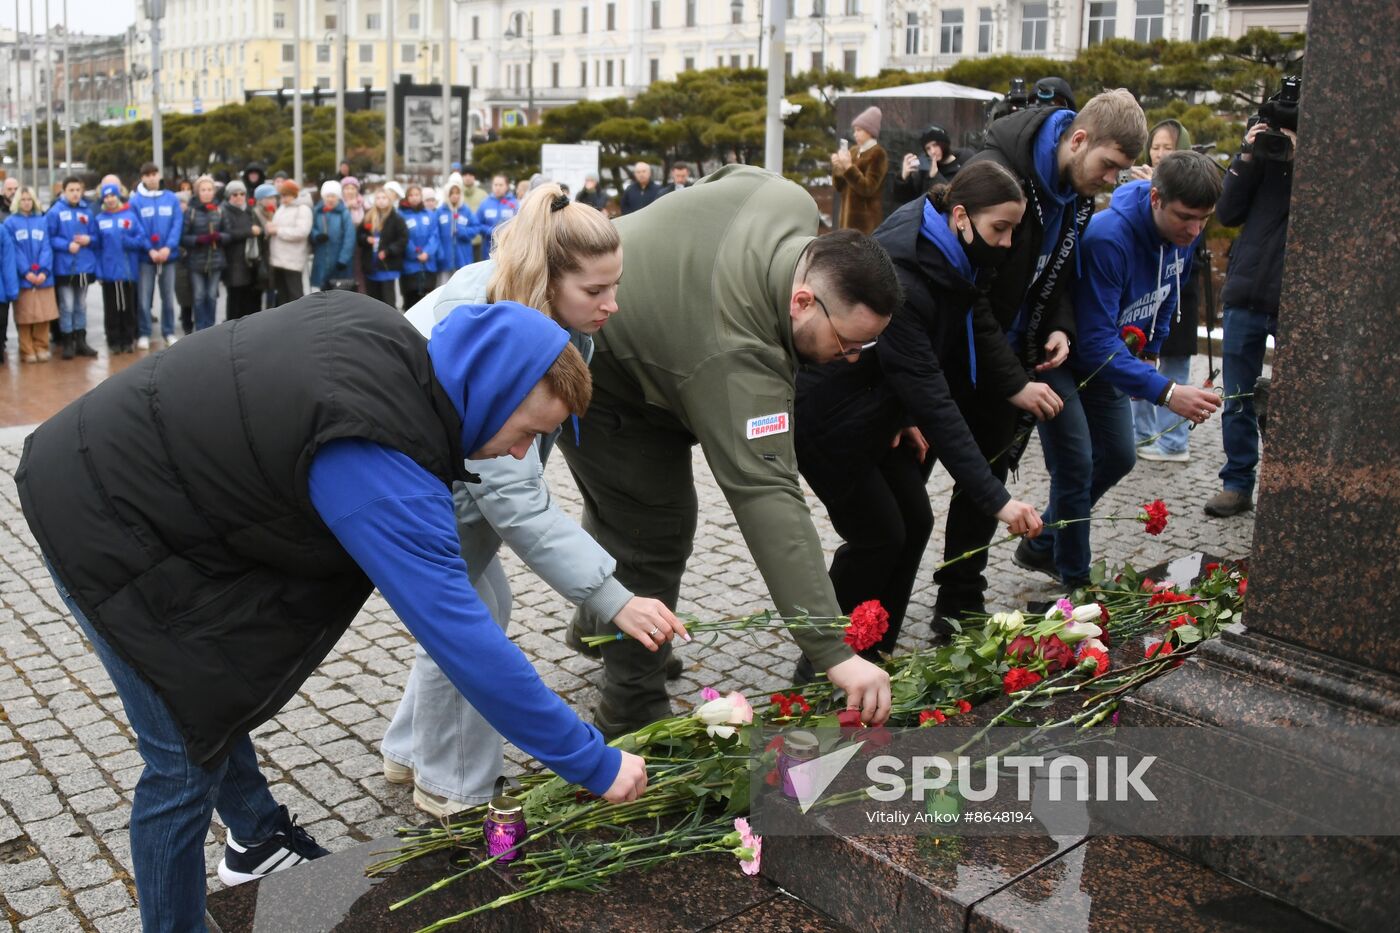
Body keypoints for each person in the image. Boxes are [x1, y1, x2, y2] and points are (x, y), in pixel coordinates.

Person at [17, 290, 649, 931]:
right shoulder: (378, 453)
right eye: (527, 434)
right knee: (179, 763)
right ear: (489, 392)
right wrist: (591, 762)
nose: (521, 455)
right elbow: (464, 641)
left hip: (149, 483)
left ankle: (257, 838)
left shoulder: (391, 341)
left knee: (204, 690)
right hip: (97, 511)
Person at [556, 165, 900, 736]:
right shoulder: (736, 358)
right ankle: (630, 708)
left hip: (665, 353)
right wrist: (833, 650)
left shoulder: (785, 198)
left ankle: (601, 624)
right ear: (803, 300)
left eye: (867, 344)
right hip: (604, 374)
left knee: (632, 520)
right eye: (847, 341)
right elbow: (769, 496)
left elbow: (725, 176)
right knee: (650, 532)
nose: (854, 356)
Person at [384, 184, 686, 816]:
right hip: (420, 480)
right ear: (549, 280)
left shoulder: (535, 305)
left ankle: (412, 750)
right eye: (595, 292)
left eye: (615, 286)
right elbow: (516, 498)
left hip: (450, 476)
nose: (613, 305)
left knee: (482, 601)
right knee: (467, 622)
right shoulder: (497, 316)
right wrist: (613, 598)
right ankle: (452, 786)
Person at [796, 162, 1046, 652]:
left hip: (878, 410)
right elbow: (932, 394)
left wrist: (902, 415)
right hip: (828, 418)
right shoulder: (909, 273)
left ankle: (877, 642)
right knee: (879, 535)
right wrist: (997, 500)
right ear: (960, 216)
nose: (1007, 243)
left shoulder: (944, 245)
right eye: (1000, 228)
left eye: (1014, 230)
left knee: (915, 520)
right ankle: (829, 654)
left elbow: (933, 350)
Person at [934, 88, 1144, 625]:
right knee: (910, 500)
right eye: (1109, 165)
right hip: (956, 352)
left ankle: (959, 599)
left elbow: (1056, 273)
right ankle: (869, 617)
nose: (1112, 181)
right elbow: (967, 292)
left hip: (1013, 354)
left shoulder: (1072, 188)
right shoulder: (997, 172)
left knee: (985, 481)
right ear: (1078, 140)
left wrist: (1058, 325)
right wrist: (1010, 379)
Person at [1017, 151, 1223, 588]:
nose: (1194, 230)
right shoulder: (1110, 237)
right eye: (1186, 217)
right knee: (1076, 462)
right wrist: (1166, 392)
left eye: (1204, 220)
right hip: (1061, 355)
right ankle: (1075, 579)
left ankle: (1042, 540)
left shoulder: (1183, 236)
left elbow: (1169, 294)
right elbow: (1093, 343)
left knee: (1119, 455)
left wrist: (1152, 350)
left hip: (1110, 356)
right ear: (1154, 199)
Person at [1204, 111, 1295, 518]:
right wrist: (1246, 155)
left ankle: (1291, 481)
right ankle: (1237, 483)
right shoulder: (1260, 160)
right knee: (1238, 396)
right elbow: (1227, 212)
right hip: (1246, 290)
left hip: (1296, 296)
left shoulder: (1327, 158)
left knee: (1296, 399)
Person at [1129, 119, 1205, 463]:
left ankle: (1173, 441)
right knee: (1143, 362)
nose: (1159, 153)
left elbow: (1192, 247)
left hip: (1177, 294)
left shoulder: (1195, 188)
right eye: (1155, 146)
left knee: (1173, 365)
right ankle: (1142, 436)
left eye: (1168, 148)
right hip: (1147, 293)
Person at [131, 162, 185, 350]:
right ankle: (144, 333)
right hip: (146, 258)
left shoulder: (170, 198)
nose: (152, 178)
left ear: (159, 175)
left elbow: (177, 224)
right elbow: (136, 227)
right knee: (144, 298)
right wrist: (150, 249)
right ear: (143, 178)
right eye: (148, 175)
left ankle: (168, 331)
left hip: (168, 257)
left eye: (155, 174)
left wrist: (168, 248)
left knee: (168, 297)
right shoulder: (135, 201)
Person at [46, 176, 100, 359]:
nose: (75, 193)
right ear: (64, 191)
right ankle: (67, 342)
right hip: (64, 267)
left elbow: (96, 236)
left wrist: (89, 239)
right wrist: (66, 245)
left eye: (78, 190)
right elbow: (49, 237)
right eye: (71, 190)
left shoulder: (88, 211)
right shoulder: (55, 212)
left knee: (81, 305)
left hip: (84, 266)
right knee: (67, 305)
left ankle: (81, 341)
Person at [5, 187, 60, 362]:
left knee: (44, 314)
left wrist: (43, 270)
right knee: (25, 316)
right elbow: (14, 250)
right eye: (23, 200)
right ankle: (27, 349)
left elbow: (46, 246)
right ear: (17, 202)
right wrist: (26, 271)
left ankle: (41, 346)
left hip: (44, 278)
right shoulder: (10, 223)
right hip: (24, 280)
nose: (26, 203)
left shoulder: (42, 220)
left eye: (29, 199)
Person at [93, 182, 145, 352]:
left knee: (128, 307)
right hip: (109, 273)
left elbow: (140, 239)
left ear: (118, 196)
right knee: (112, 308)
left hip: (128, 271)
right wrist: (99, 272)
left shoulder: (129, 217)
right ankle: (113, 340)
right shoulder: (100, 220)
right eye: (106, 197)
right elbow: (97, 247)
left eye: (112, 196)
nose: (110, 199)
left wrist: (128, 241)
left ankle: (128, 338)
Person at [180, 175, 230, 331]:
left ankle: (211, 328)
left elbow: (229, 234)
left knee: (211, 296)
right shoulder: (191, 211)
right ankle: (200, 328)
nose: (207, 193)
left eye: (209, 190)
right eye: (203, 190)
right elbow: (182, 237)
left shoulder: (220, 210)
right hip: (196, 261)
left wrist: (220, 236)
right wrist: (197, 239)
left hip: (215, 260)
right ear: (197, 192)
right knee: (199, 296)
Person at [832, 106, 889, 235]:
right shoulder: (853, 151)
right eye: (855, 130)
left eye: (859, 130)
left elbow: (868, 188)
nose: (855, 134)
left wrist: (848, 167)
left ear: (870, 131)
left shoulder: (878, 154)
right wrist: (838, 168)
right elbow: (839, 187)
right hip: (846, 223)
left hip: (866, 224)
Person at [359, 187, 408, 308]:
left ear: (389, 200)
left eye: (384, 198)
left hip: (388, 266)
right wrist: (366, 239)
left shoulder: (396, 218)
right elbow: (359, 235)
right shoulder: (369, 216)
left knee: (388, 301)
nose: (381, 201)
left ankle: (390, 325)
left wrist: (388, 251)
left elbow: (403, 239)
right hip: (371, 266)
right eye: (378, 198)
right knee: (373, 301)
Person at [220, 180, 262, 319]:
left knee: (247, 298)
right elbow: (228, 233)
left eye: (242, 194)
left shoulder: (249, 210)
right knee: (234, 298)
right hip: (232, 260)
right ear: (228, 196)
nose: (239, 197)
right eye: (235, 194)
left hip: (248, 260)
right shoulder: (224, 210)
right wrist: (249, 231)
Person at [893, 124, 963, 205]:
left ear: (944, 144)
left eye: (935, 145)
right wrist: (904, 178)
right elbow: (906, 200)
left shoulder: (962, 164)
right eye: (928, 148)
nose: (932, 151)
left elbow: (953, 201)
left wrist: (935, 177)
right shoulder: (925, 168)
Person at [267, 180, 312, 305]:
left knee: (295, 295)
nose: (283, 199)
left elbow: (302, 232)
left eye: (286, 195)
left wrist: (278, 230)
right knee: (282, 295)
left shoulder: (302, 209)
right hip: (278, 259)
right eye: (281, 195)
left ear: (294, 195)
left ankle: (298, 322)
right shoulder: (282, 208)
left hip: (293, 259)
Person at [397, 184, 440, 310]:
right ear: (406, 197)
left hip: (429, 264)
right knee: (411, 301)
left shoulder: (430, 214)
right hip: (410, 266)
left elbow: (435, 235)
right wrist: (415, 253)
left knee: (428, 302)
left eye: (417, 195)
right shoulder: (401, 215)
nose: (414, 198)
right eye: (411, 195)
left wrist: (427, 252)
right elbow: (403, 236)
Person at [309, 180, 355, 291]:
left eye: (333, 196)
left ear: (338, 197)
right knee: (323, 290)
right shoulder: (317, 211)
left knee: (339, 291)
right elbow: (311, 228)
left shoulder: (344, 213)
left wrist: (343, 259)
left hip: (338, 258)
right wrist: (316, 236)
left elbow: (349, 237)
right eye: (328, 196)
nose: (330, 199)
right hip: (321, 257)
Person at [435, 173, 476, 283]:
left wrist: (463, 232)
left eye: (457, 193)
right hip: (445, 258)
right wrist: (440, 253)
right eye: (452, 193)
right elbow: (435, 234)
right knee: (443, 287)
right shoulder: (440, 211)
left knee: (462, 286)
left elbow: (476, 227)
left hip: (462, 257)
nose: (455, 196)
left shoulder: (465, 211)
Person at [473, 174, 517, 259]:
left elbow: (520, 223)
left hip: (509, 250)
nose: (498, 188)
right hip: (488, 250)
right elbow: (477, 224)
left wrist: (506, 232)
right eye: (495, 185)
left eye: (501, 185)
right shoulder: (485, 203)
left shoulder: (514, 204)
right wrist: (492, 231)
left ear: (507, 186)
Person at [252, 183, 279, 309]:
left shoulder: (277, 211)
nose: (273, 201)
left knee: (273, 288)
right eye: (269, 198)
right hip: (262, 255)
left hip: (276, 255)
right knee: (262, 287)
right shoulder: (255, 213)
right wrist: (265, 232)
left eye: (274, 197)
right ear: (261, 200)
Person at [458, 166, 489, 262]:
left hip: (478, 240)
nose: (468, 177)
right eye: (465, 175)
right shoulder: (456, 193)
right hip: (460, 241)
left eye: (470, 175)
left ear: (474, 177)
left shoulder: (483, 194)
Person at [0, 210, 17, 362]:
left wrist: (11, 290)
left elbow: (8, 262)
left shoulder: (2, 230)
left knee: (1, 322)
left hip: (1, 291)